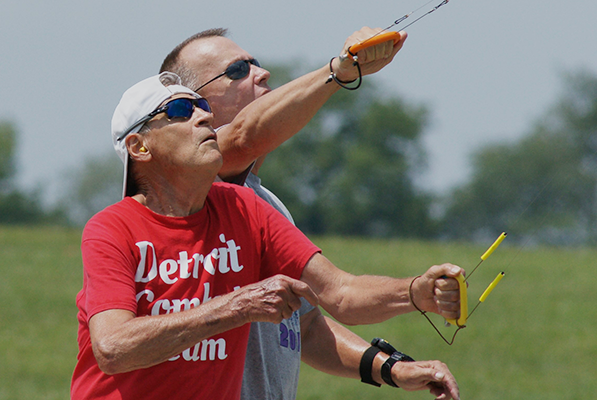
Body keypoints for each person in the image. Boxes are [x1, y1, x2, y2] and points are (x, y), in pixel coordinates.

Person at [71, 72, 460, 400]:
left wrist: (417, 292)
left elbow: (341, 293)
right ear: (139, 147)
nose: (203, 117)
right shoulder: (111, 228)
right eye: (178, 110)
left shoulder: (245, 207)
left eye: (202, 107)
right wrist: (239, 306)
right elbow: (113, 347)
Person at [160, 28, 463, 400]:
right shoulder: (195, 180)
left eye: (255, 63)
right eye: (238, 70)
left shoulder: (267, 204)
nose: (262, 72)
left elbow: (306, 326)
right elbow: (242, 137)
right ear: (194, 106)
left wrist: (391, 367)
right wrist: (340, 70)